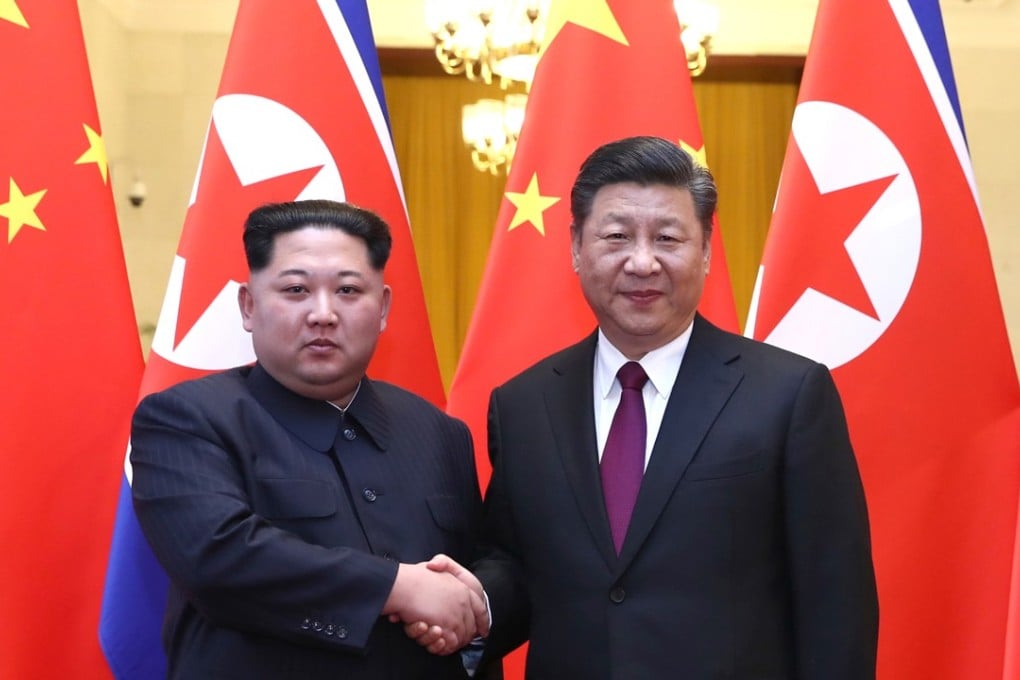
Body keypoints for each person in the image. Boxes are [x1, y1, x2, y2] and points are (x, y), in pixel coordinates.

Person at [433, 136, 879, 677]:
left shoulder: (789, 395)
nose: (642, 262)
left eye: (667, 238)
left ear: (706, 250)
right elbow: (517, 565)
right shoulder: (524, 405)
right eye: (617, 236)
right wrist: (473, 604)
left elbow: (835, 603)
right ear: (576, 246)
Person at [130, 200, 491, 679]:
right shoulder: (186, 419)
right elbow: (217, 558)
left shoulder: (439, 432)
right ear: (248, 306)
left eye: (348, 290)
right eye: (296, 289)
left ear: (383, 308)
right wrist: (398, 588)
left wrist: (469, 614)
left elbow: (478, 571)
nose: (323, 314)